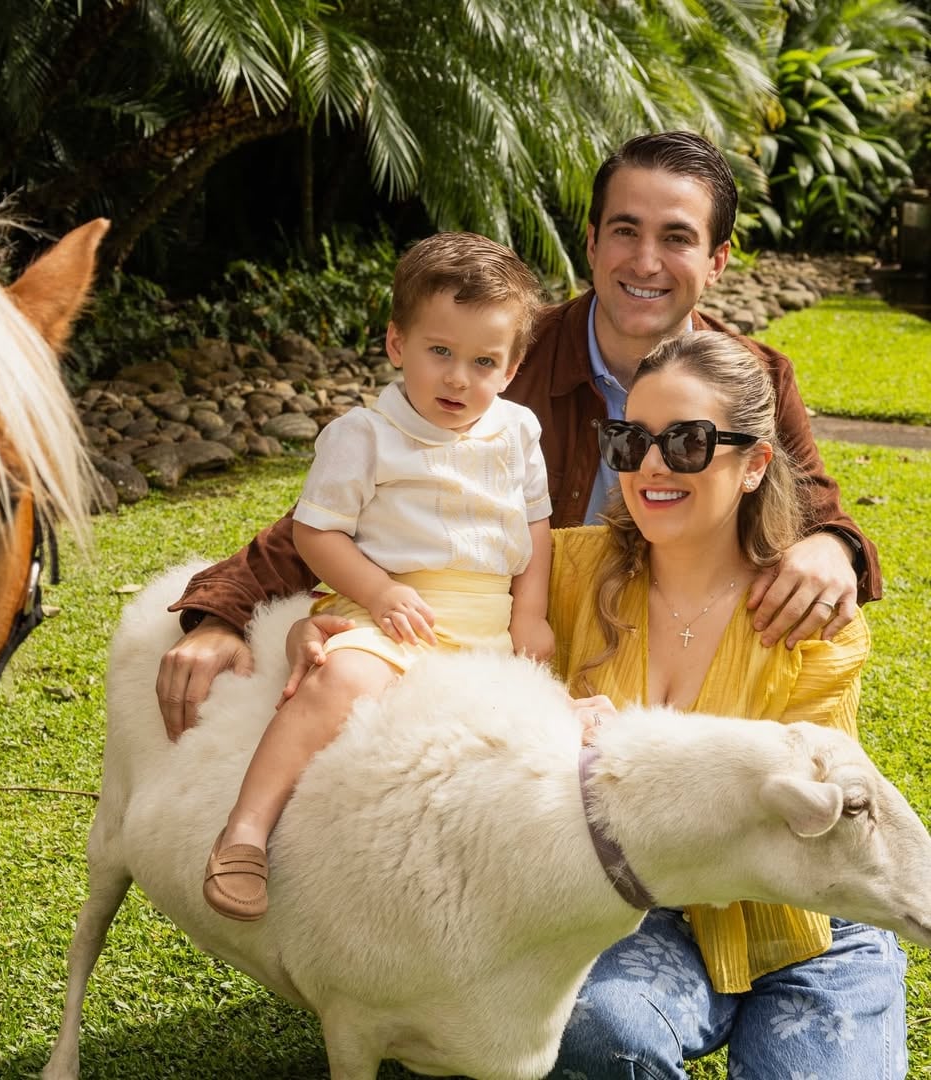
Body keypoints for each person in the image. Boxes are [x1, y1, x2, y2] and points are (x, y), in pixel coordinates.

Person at [288, 331, 905, 1079]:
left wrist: (834, 542)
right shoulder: (561, 574)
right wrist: (321, 621)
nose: (650, 466)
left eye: (686, 442)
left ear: (755, 464)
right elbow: (370, 526)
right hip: (643, 911)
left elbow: (806, 814)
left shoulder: (810, 615)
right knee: (596, 1030)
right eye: (630, 439)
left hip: (806, 920)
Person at [155, 130, 881, 741]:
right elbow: (356, 502)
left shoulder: (755, 374)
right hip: (524, 666)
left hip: (682, 674)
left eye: (678, 238)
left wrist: (832, 544)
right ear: (592, 242)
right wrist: (221, 612)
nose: (645, 261)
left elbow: (811, 503)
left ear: (718, 262)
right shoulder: (502, 365)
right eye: (625, 230)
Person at [202, 232, 554, 920]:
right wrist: (378, 591)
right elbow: (316, 531)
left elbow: (534, 528)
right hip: (392, 609)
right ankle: (245, 829)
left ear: (511, 369)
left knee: (533, 740)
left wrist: (530, 616)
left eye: (484, 362)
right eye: (440, 353)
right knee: (340, 680)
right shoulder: (363, 435)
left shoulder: (517, 431)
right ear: (398, 345)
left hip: (487, 624)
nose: (459, 378)